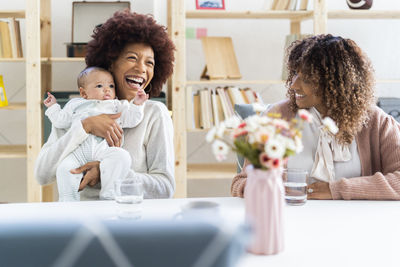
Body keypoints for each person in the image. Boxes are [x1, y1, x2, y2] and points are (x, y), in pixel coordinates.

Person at [231, 34, 400, 200]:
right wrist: (271, 187)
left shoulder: (377, 122)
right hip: (293, 220)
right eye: (295, 74)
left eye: (307, 79)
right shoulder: (276, 118)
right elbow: (240, 183)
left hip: (359, 223)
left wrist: (336, 190)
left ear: (335, 82)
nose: (294, 85)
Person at [35, 10, 176, 200]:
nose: (142, 68)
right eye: (132, 58)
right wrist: (85, 127)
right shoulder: (79, 110)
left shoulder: (154, 113)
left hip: (129, 221)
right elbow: (42, 175)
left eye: (149, 63)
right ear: (110, 63)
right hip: (78, 221)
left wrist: (107, 172)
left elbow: (165, 187)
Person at [43, 67, 147, 201]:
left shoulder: (117, 106)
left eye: (111, 85)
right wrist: (53, 107)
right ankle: (68, 199)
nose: (107, 89)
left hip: (103, 150)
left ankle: (110, 192)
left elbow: (132, 119)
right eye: (99, 86)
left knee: (121, 156)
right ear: (83, 93)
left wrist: (137, 104)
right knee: (64, 168)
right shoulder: (75, 105)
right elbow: (61, 121)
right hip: (78, 152)